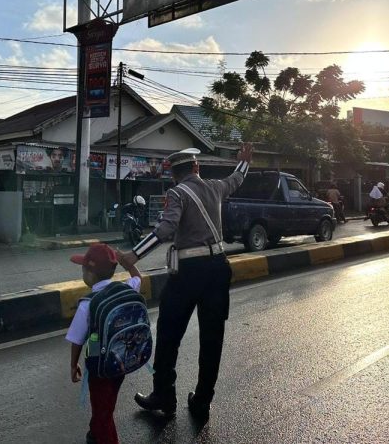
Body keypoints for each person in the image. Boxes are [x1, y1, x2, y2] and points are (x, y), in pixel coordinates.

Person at [116, 144, 253, 420]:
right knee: (212, 338)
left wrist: (133, 256)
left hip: (188, 273)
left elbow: (166, 229)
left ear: (173, 174)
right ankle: (202, 400)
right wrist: (244, 162)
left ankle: (164, 395)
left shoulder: (176, 192)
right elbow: (236, 179)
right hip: (218, 269)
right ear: (196, 167)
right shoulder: (215, 187)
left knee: (168, 334)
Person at [66, 243, 143, 444]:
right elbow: (138, 278)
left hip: (99, 367)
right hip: (122, 360)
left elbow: (76, 339)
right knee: (107, 401)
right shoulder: (125, 288)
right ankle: (94, 432)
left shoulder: (88, 303)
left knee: (103, 411)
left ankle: (103, 436)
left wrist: (73, 365)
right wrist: (127, 263)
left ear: (90, 274)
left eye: (83, 268)